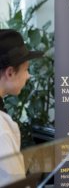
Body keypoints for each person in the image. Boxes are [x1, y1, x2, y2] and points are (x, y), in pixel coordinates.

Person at [0, 29, 43, 186]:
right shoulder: (2, 129)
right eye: (26, 69)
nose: (28, 76)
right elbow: (14, 182)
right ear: (10, 72)